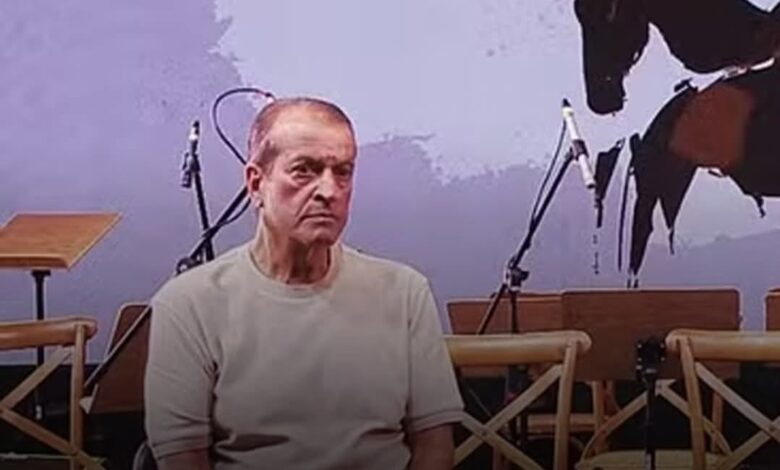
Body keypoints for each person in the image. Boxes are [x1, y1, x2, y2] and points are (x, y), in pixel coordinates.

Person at [144, 97, 463, 470]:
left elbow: (435, 444)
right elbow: (182, 458)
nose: (329, 191)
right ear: (256, 184)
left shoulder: (405, 292)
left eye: (342, 172)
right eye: (304, 170)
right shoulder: (188, 304)